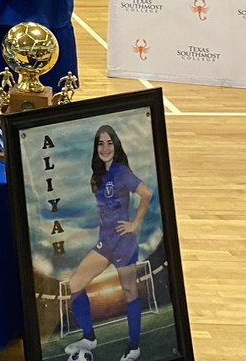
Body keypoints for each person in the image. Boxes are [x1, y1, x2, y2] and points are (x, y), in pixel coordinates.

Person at [64, 125, 153, 361]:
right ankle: (89, 338)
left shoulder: (122, 171)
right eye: (100, 144)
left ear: (116, 145)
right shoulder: (98, 175)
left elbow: (146, 193)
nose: (105, 148)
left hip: (123, 242)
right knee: (75, 284)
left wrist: (135, 223)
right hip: (105, 241)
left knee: (129, 291)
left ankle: (134, 347)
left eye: (109, 143)